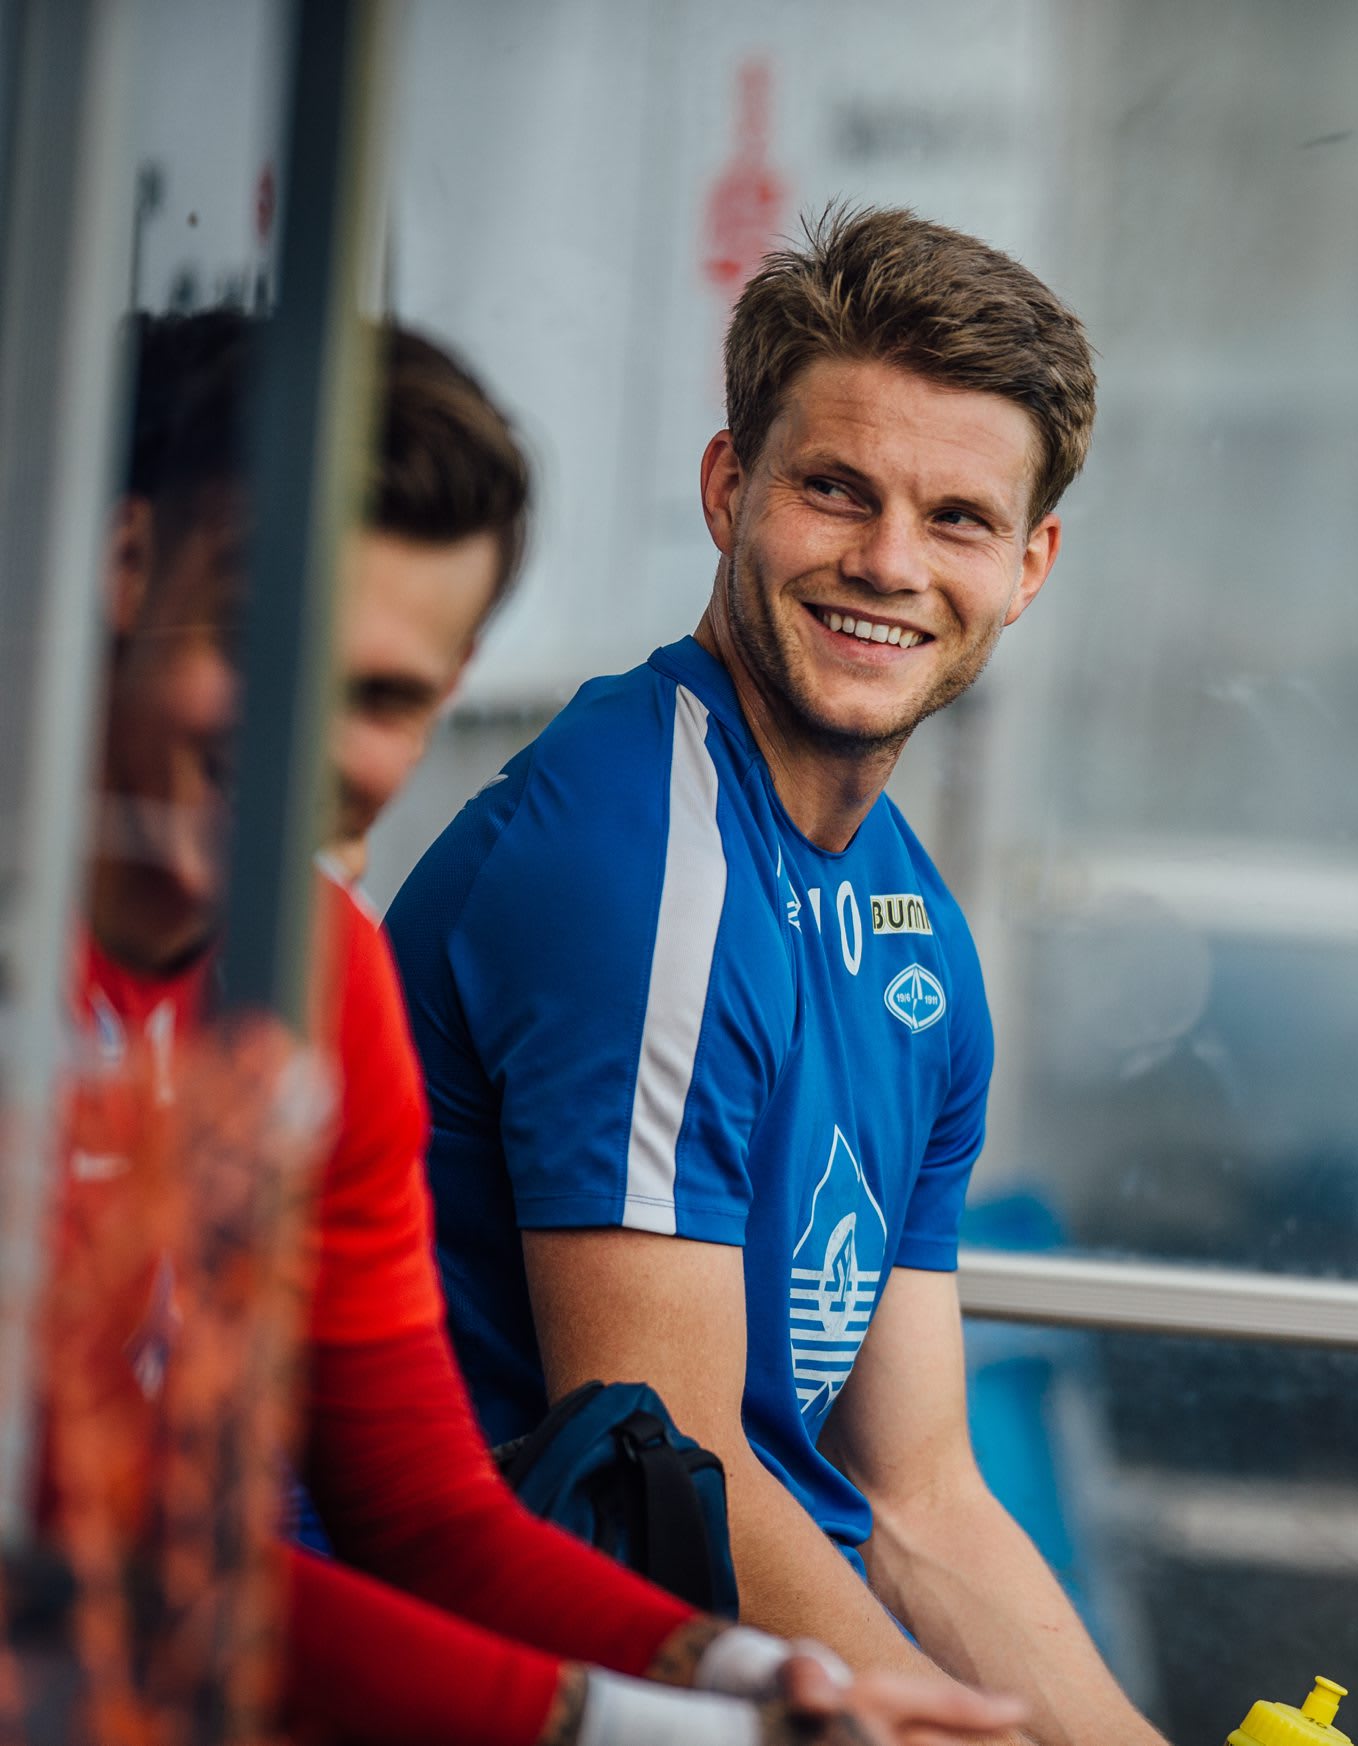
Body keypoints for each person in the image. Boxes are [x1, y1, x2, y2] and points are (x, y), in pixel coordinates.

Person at [44, 305, 1023, 1746]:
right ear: (124, 569)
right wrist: (667, 1717)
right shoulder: (631, 852)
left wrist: (743, 1676)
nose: (308, 747)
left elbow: (419, 1508)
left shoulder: (321, 977)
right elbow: (89, 1559)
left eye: (382, 697)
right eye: (265, 651)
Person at [385, 207, 1164, 1746]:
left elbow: (920, 1493)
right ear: (726, 486)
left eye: (958, 518)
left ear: (1028, 566)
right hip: (496, 1682)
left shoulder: (915, 927)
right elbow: (665, 1476)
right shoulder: (635, 858)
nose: (889, 562)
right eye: (834, 489)